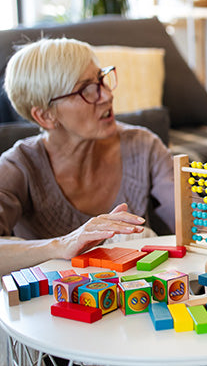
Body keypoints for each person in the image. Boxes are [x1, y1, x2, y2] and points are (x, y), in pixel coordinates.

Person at [0, 38, 174, 275]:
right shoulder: (19, 166)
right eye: (86, 89)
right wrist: (63, 244)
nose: (106, 96)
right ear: (45, 116)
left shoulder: (143, 145)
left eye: (101, 79)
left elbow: (191, 220)